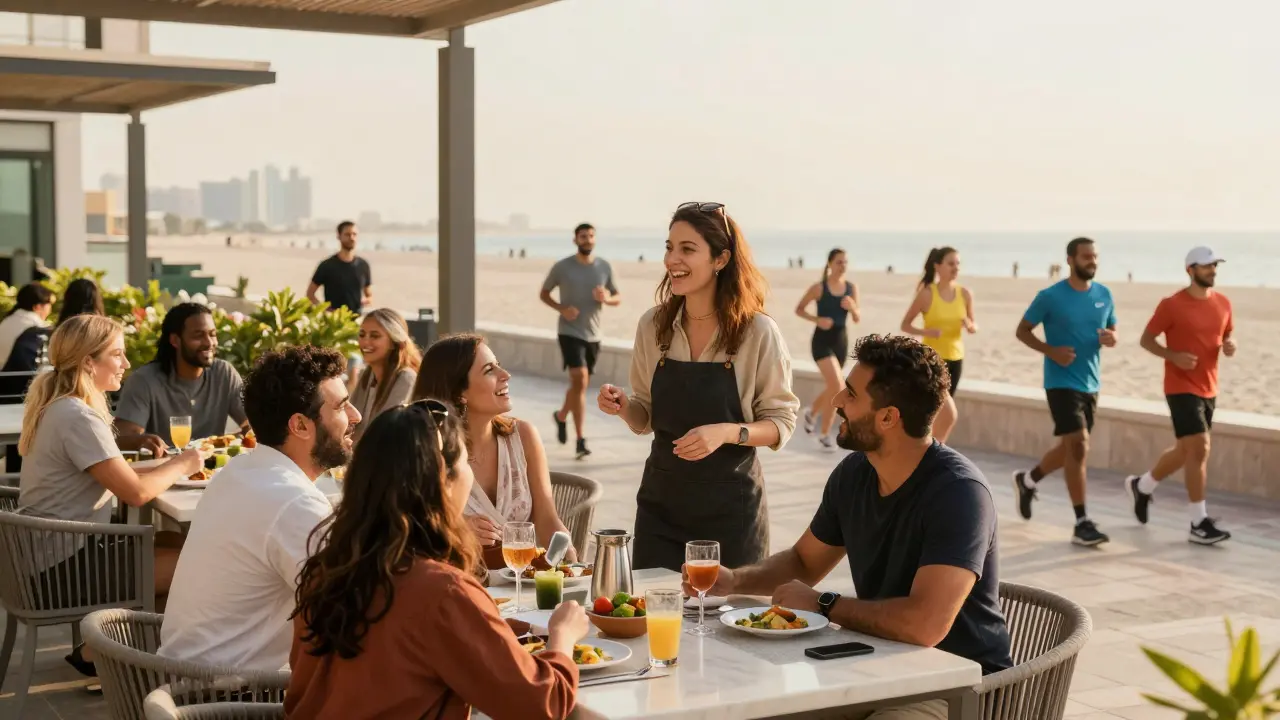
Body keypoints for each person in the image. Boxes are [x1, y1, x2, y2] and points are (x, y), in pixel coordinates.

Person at [683, 334, 1013, 720]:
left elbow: (926, 625)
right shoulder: (856, 472)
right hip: (880, 666)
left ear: (889, 417)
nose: (836, 402)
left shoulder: (959, 494)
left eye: (851, 395)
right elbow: (804, 562)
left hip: (962, 688)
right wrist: (735, 581)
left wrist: (825, 604)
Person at [285, 400, 588, 720]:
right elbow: (543, 706)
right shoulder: (442, 591)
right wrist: (562, 637)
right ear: (445, 481)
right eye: (465, 461)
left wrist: (507, 630)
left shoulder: (326, 571)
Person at [597, 202, 799, 571]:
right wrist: (624, 405)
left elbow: (781, 423)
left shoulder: (757, 332)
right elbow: (646, 417)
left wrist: (725, 432)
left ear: (720, 259)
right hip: (661, 508)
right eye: (669, 247)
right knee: (652, 616)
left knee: (727, 623)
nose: (672, 259)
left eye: (687, 249)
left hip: (731, 511)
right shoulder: (652, 326)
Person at [17, 315, 206, 674]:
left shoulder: (61, 406)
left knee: (177, 542)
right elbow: (134, 494)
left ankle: (104, 650)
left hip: (45, 556)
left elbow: (105, 473)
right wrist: (182, 464)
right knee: (201, 564)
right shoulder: (78, 416)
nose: (126, 364)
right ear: (89, 361)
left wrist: (161, 467)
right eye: (118, 355)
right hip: (59, 571)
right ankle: (122, 657)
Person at [158, 346, 358, 669]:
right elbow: (346, 610)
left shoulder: (238, 472)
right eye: (342, 407)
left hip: (183, 682)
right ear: (301, 426)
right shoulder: (294, 502)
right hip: (229, 701)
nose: (356, 417)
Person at [412, 334, 575, 567]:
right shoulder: (427, 449)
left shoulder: (524, 436)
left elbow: (548, 519)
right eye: (490, 370)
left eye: (499, 365)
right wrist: (456, 527)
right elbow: (407, 529)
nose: (505, 375)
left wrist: (565, 552)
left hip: (519, 584)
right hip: (457, 582)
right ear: (460, 393)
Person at [1126, 247, 1234, 545]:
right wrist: (1172, 355)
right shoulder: (1172, 305)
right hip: (1180, 386)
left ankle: (1143, 485)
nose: (1212, 270)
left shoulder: (1224, 303)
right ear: (1190, 270)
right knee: (1199, 448)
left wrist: (1229, 345)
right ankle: (1198, 522)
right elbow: (1147, 340)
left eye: (1214, 265)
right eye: (1206, 266)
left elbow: (1225, 336)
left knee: (1187, 451)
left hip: (1209, 387)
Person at [1013, 237, 1117, 547]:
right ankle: (1082, 522)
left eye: (1095, 256)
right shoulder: (1050, 297)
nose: (1092, 261)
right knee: (1080, 445)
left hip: (1091, 383)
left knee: (1071, 448)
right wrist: (1051, 351)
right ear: (1070, 259)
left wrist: (1111, 337)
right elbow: (1022, 330)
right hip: (1060, 381)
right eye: (1086, 256)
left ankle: (1028, 480)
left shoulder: (1104, 294)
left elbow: (1111, 328)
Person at [114, 303, 249, 453]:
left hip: (215, 470)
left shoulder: (224, 374)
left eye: (212, 334)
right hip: (164, 470)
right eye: (198, 335)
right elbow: (123, 438)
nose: (209, 343)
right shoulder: (144, 381)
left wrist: (236, 439)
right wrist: (142, 441)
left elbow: (252, 425)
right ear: (175, 340)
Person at [540, 222, 620, 460]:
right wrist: (562, 309)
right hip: (569, 331)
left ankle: (562, 415)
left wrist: (606, 298)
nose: (587, 239)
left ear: (595, 239)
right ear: (575, 240)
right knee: (581, 380)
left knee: (578, 385)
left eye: (591, 236)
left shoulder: (604, 266)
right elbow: (544, 293)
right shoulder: (562, 267)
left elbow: (617, 297)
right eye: (583, 236)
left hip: (593, 334)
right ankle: (580, 439)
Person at [899, 247, 976, 443]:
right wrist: (926, 332)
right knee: (949, 414)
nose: (956, 268)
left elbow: (974, 325)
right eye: (951, 263)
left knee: (938, 415)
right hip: (932, 361)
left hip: (956, 359)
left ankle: (926, 453)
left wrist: (969, 324)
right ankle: (934, 454)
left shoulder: (965, 294)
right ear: (938, 266)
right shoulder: (927, 293)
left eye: (958, 264)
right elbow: (905, 324)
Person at [794, 248, 859, 449]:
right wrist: (817, 319)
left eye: (845, 262)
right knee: (839, 386)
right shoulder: (819, 288)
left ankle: (812, 413)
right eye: (839, 262)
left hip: (841, 341)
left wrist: (853, 308)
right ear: (830, 263)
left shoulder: (851, 288)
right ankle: (825, 434)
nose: (843, 266)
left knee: (834, 386)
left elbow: (857, 318)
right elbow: (799, 309)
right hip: (822, 342)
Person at [350, 309, 421, 443]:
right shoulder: (367, 375)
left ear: (394, 342)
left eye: (375, 336)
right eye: (362, 334)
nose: (365, 342)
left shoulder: (406, 378)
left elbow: (386, 430)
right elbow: (352, 422)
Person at [307, 220, 372, 314]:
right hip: (334, 323)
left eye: (354, 234)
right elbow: (310, 294)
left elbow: (369, 295)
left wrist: (365, 301)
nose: (352, 238)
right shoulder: (327, 265)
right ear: (339, 236)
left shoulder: (363, 265)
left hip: (356, 320)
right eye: (347, 234)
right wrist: (324, 309)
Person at [0, 283, 54, 368]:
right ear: (38, 306)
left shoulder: (7, 321)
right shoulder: (36, 328)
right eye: (50, 304)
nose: (50, 310)